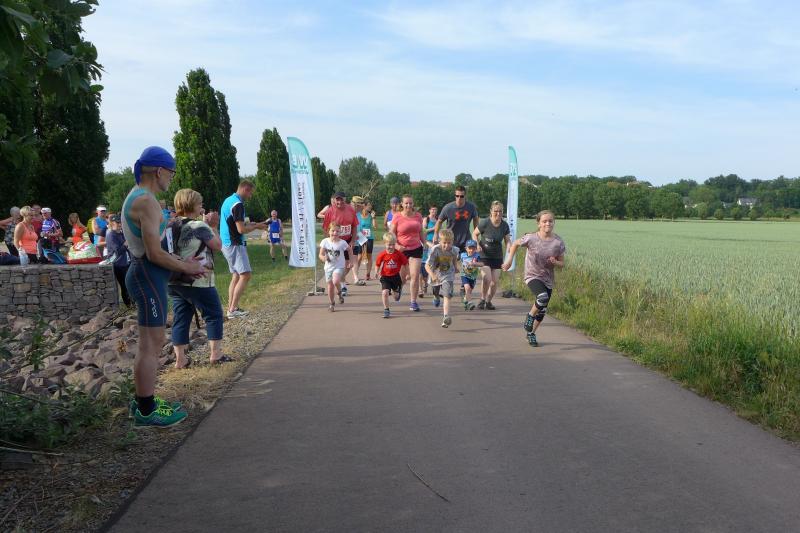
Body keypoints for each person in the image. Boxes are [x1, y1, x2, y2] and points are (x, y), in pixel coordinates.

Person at [123, 146, 207, 428]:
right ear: (159, 171)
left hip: (149, 276)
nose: (172, 177)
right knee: (152, 343)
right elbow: (154, 254)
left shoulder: (141, 197)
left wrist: (182, 263)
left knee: (151, 342)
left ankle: (143, 401)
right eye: (171, 172)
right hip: (147, 276)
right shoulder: (146, 201)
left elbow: (156, 249)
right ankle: (146, 411)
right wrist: (187, 267)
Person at [167, 188, 230, 368]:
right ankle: (216, 355)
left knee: (181, 318)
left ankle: (180, 359)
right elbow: (217, 245)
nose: (202, 206)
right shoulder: (198, 226)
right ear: (192, 205)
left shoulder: (170, 225)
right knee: (213, 314)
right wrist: (213, 226)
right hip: (198, 279)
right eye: (200, 203)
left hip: (174, 278)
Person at [502, 210, 565, 347]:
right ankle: (530, 316)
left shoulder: (558, 242)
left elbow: (562, 263)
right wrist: (509, 261)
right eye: (544, 221)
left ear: (554, 223)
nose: (547, 223)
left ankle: (531, 333)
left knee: (542, 310)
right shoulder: (531, 238)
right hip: (532, 275)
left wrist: (555, 262)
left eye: (550, 221)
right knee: (542, 297)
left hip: (548, 278)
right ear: (538, 224)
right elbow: (515, 244)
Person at [219, 179, 269, 319]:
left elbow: (237, 224)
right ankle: (233, 309)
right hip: (235, 243)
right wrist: (257, 227)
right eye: (250, 193)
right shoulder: (238, 204)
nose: (250, 196)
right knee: (245, 275)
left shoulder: (229, 200)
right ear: (245, 189)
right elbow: (241, 229)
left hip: (226, 243)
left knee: (236, 275)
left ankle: (231, 308)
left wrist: (255, 224)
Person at [390, 194, 426, 312]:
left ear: (413, 204)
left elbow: (421, 231)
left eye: (410, 203)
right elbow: (392, 233)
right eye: (406, 203)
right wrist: (396, 246)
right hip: (402, 250)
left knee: (415, 276)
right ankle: (398, 288)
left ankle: (413, 302)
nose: (408, 205)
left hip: (416, 249)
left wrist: (424, 243)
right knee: (403, 279)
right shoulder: (397, 216)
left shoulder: (418, 216)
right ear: (402, 204)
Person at [473, 200, 511, 310]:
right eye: (495, 211)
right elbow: (474, 234)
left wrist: (509, 247)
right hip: (484, 255)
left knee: (494, 283)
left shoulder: (504, 225)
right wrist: (477, 244)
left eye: (500, 211)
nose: (498, 213)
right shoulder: (485, 222)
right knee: (487, 278)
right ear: (491, 211)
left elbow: (507, 240)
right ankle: (482, 299)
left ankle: (488, 301)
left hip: (497, 257)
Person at [321, 191, 359, 296]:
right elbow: (325, 228)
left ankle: (340, 280)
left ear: (345, 199)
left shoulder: (351, 209)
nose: (339, 202)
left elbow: (354, 226)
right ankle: (342, 285)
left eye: (341, 199)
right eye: (337, 200)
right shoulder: (330, 211)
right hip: (334, 241)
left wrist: (353, 240)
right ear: (334, 200)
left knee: (349, 264)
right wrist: (327, 243)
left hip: (347, 240)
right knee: (338, 263)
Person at [425, 228, 460, 328]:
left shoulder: (454, 250)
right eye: (444, 243)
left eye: (449, 243)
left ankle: (446, 317)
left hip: (448, 275)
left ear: (452, 242)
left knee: (447, 294)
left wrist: (456, 266)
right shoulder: (435, 250)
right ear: (440, 241)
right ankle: (436, 296)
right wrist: (432, 275)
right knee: (436, 291)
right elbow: (427, 265)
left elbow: (454, 258)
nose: (447, 245)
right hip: (436, 274)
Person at [374, 232, 408, 318]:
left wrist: (407, 274)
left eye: (393, 244)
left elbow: (405, 264)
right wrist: (376, 272)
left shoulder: (399, 254)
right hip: (385, 277)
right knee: (385, 292)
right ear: (385, 244)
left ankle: (397, 290)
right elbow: (377, 264)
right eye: (389, 245)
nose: (391, 247)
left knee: (396, 298)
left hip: (396, 277)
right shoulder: (382, 254)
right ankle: (386, 310)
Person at [319, 222, 349, 312]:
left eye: (337, 231)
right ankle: (332, 303)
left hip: (339, 266)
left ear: (340, 232)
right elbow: (320, 254)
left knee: (335, 281)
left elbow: (350, 250)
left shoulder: (342, 243)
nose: (335, 233)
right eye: (333, 231)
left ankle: (339, 292)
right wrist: (323, 258)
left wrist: (350, 261)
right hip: (328, 267)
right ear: (329, 231)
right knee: (330, 286)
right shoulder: (325, 241)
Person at [105, 214, 132, 306]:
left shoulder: (120, 233)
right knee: (125, 285)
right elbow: (117, 252)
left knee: (129, 284)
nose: (120, 224)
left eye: (120, 222)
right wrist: (126, 244)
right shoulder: (111, 235)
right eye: (118, 222)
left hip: (126, 262)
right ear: (112, 223)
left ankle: (132, 303)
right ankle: (129, 305)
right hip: (119, 264)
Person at [459, 240, 484, 310]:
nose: (471, 250)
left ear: (476, 248)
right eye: (469, 248)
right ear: (466, 248)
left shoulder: (477, 256)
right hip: (464, 275)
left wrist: (475, 264)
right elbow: (458, 261)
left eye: (473, 248)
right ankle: (470, 303)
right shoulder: (462, 255)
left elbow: (482, 264)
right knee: (468, 288)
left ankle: (465, 300)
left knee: (469, 291)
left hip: (473, 276)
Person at [420, 205, 438, 297]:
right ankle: (422, 287)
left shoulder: (438, 220)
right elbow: (423, 231)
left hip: (435, 244)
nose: (434, 211)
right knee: (423, 264)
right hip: (426, 242)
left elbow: (439, 231)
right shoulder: (426, 219)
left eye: (435, 210)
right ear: (429, 210)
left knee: (431, 264)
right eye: (432, 209)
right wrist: (433, 228)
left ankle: (428, 283)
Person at [357, 200, 377, 281]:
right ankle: (356, 274)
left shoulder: (370, 215)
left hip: (369, 237)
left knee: (369, 255)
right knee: (359, 256)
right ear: (364, 206)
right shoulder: (358, 215)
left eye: (370, 205)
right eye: (369, 205)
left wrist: (373, 217)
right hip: (360, 236)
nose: (370, 207)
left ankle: (368, 274)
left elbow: (375, 226)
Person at [349, 195, 365, 285]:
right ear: (355, 205)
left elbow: (359, 226)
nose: (361, 208)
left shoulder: (358, 214)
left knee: (355, 258)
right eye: (360, 206)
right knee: (347, 261)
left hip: (357, 238)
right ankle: (341, 278)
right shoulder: (348, 212)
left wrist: (361, 234)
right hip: (348, 239)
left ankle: (355, 278)